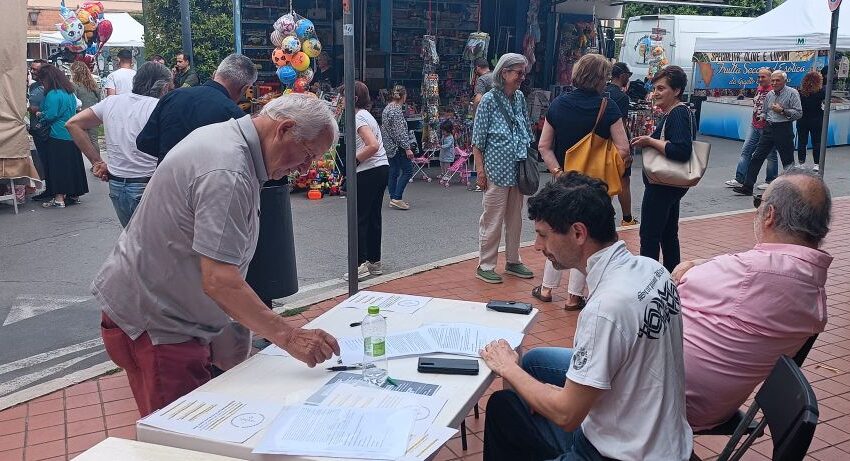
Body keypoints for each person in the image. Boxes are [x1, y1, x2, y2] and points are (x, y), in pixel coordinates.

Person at [92, 94, 340, 417]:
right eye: (308, 155)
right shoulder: (229, 169)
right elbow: (220, 280)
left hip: (157, 314)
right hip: (158, 325)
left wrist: (231, 336)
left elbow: (218, 265)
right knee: (181, 441)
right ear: (285, 129)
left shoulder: (232, 143)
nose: (305, 168)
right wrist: (289, 336)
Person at [480, 172, 693, 461]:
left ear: (578, 233)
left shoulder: (604, 310)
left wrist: (507, 367)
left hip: (617, 453)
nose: (538, 247)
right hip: (666, 439)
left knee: (503, 404)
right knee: (534, 363)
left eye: (543, 235)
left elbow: (567, 415)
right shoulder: (651, 269)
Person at [673, 167, 832, 431]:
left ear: (769, 215)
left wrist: (694, 265)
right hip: (710, 406)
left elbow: (676, 285)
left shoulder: (750, 273)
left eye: (759, 203)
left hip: (669, 406)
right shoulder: (811, 289)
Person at [534, 54, 630, 310]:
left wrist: (558, 172)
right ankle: (575, 295)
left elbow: (544, 146)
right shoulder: (608, 107)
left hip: (565, 181)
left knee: (558, 230)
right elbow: (623, 150)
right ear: (601, 78)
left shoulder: (557, 105)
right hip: (595, 187)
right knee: (586, 238)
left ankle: (546, 287)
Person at [67, 62, 173, 227]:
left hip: (117, 184)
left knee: (132, 241)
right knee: (155, 245)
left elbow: (73, 124)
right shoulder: (159, 107)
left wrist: (97, 161)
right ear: (165, 87)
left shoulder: (111, 102)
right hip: (147, 184)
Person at [472, 53, 535, 284]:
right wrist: (480, 171)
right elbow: (477, 141)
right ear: (504, 72)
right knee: (493, 219)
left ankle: (513, 260)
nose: (522, 77)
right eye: (518, 72)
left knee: (515, 219)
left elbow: (525, 128)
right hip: (496, 171)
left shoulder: (518, 97)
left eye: (523, 73)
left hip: (517, 169)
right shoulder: (488, 100)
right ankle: (486, 264)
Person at [631, 65, 694, 273]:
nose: (655, 93)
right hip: (668, 186)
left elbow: (681, 150)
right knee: (668, 234)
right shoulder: (676, 112)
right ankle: (672, 278)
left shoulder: (677, 114)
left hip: (662, 186)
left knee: (649, 235)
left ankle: (648, 280)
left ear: (676, 91)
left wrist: (650, 141)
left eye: (661, 88)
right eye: (655, 88)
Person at [137, 55, 254, 161]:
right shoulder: (237, 117)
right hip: (208, 183)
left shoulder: (173, 96)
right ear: (244, 89)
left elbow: (144, 143)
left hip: (166, 179)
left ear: (214, 74)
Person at [344, 81, 389, 281]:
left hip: (368, 170)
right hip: (380, 169)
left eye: (344, 96)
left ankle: (359, 263)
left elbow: (372, 145)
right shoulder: (366, 115)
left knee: (359, 217)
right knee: (372, 217)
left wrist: (353, 161)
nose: (341, 100)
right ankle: (374, 261)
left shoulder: (359, 116)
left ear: (354, 99)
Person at [733, 70, 802, 196]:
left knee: (787, 161)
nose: (774, 83)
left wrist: (782, 111)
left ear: (785, 81)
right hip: (769, 128)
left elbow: (798, 113)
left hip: (783, 129)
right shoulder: (770, 94)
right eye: (773, 80)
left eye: (778, 80)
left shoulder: (792, 93)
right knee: (757, 157)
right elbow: (765, 110)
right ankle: (748, 186)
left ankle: (792, 190)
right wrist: (762, 116)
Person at [35, 65, 89, 209]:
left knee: (57, 167)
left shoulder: (52, 94)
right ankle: (74, 194)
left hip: (57, 133)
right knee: (72, 166)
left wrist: (40, 115)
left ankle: (59, 198)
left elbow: (51, 114)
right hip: (72, 134)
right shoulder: (69, 93)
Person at [724, 67, 779, 191]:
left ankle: (771, 180)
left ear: (770, 78)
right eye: (759, 77)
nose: (760, 79)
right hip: (754, 125)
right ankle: (740, 178)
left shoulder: (774, 92)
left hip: (768, 127)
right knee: (746, 151)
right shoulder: (759, 89)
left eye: (763, 77)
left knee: (771, 155)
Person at [606, 61, 638, 226]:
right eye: (629, 75)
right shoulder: (621, 97)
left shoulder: (602, 92)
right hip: (618, 145)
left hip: (602, 145)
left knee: (605, 181)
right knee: (624, 182)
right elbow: (623, 125)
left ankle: (604, 216)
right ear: (622, 75)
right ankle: (627, 218)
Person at [381, 85, 414, 210]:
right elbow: (400, 132)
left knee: (393, 171)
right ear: (403, 96)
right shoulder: (396, 110)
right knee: (407, 171)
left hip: (388, 144)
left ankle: (393, 196)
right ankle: (397, 197)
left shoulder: (387, 108)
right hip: (397, 146)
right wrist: (407, 147)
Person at [69, 62, 102, 156]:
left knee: (79, 139)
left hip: (80, 115)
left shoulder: (74, 85)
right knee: (93, 139)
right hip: (94, 114)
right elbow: (99, 99)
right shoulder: (93, 84)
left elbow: (74, 101)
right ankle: (97, 163)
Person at [796, 71, 825, 171]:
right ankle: (816, 163)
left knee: (802, 141)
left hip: (802, 119)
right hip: (816, 119)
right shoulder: (821, 91)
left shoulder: (800, 92)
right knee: (817, 142)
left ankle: (801, 163)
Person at [28, 59, 49, 187]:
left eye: (35, 69)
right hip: (35, 127)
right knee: (40, 158)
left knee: (48, 158)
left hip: (46, 127)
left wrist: (35, 109)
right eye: (32, 69)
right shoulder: (33, 86)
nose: (32, 71)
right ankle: (47, 186)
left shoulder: (50, 85)